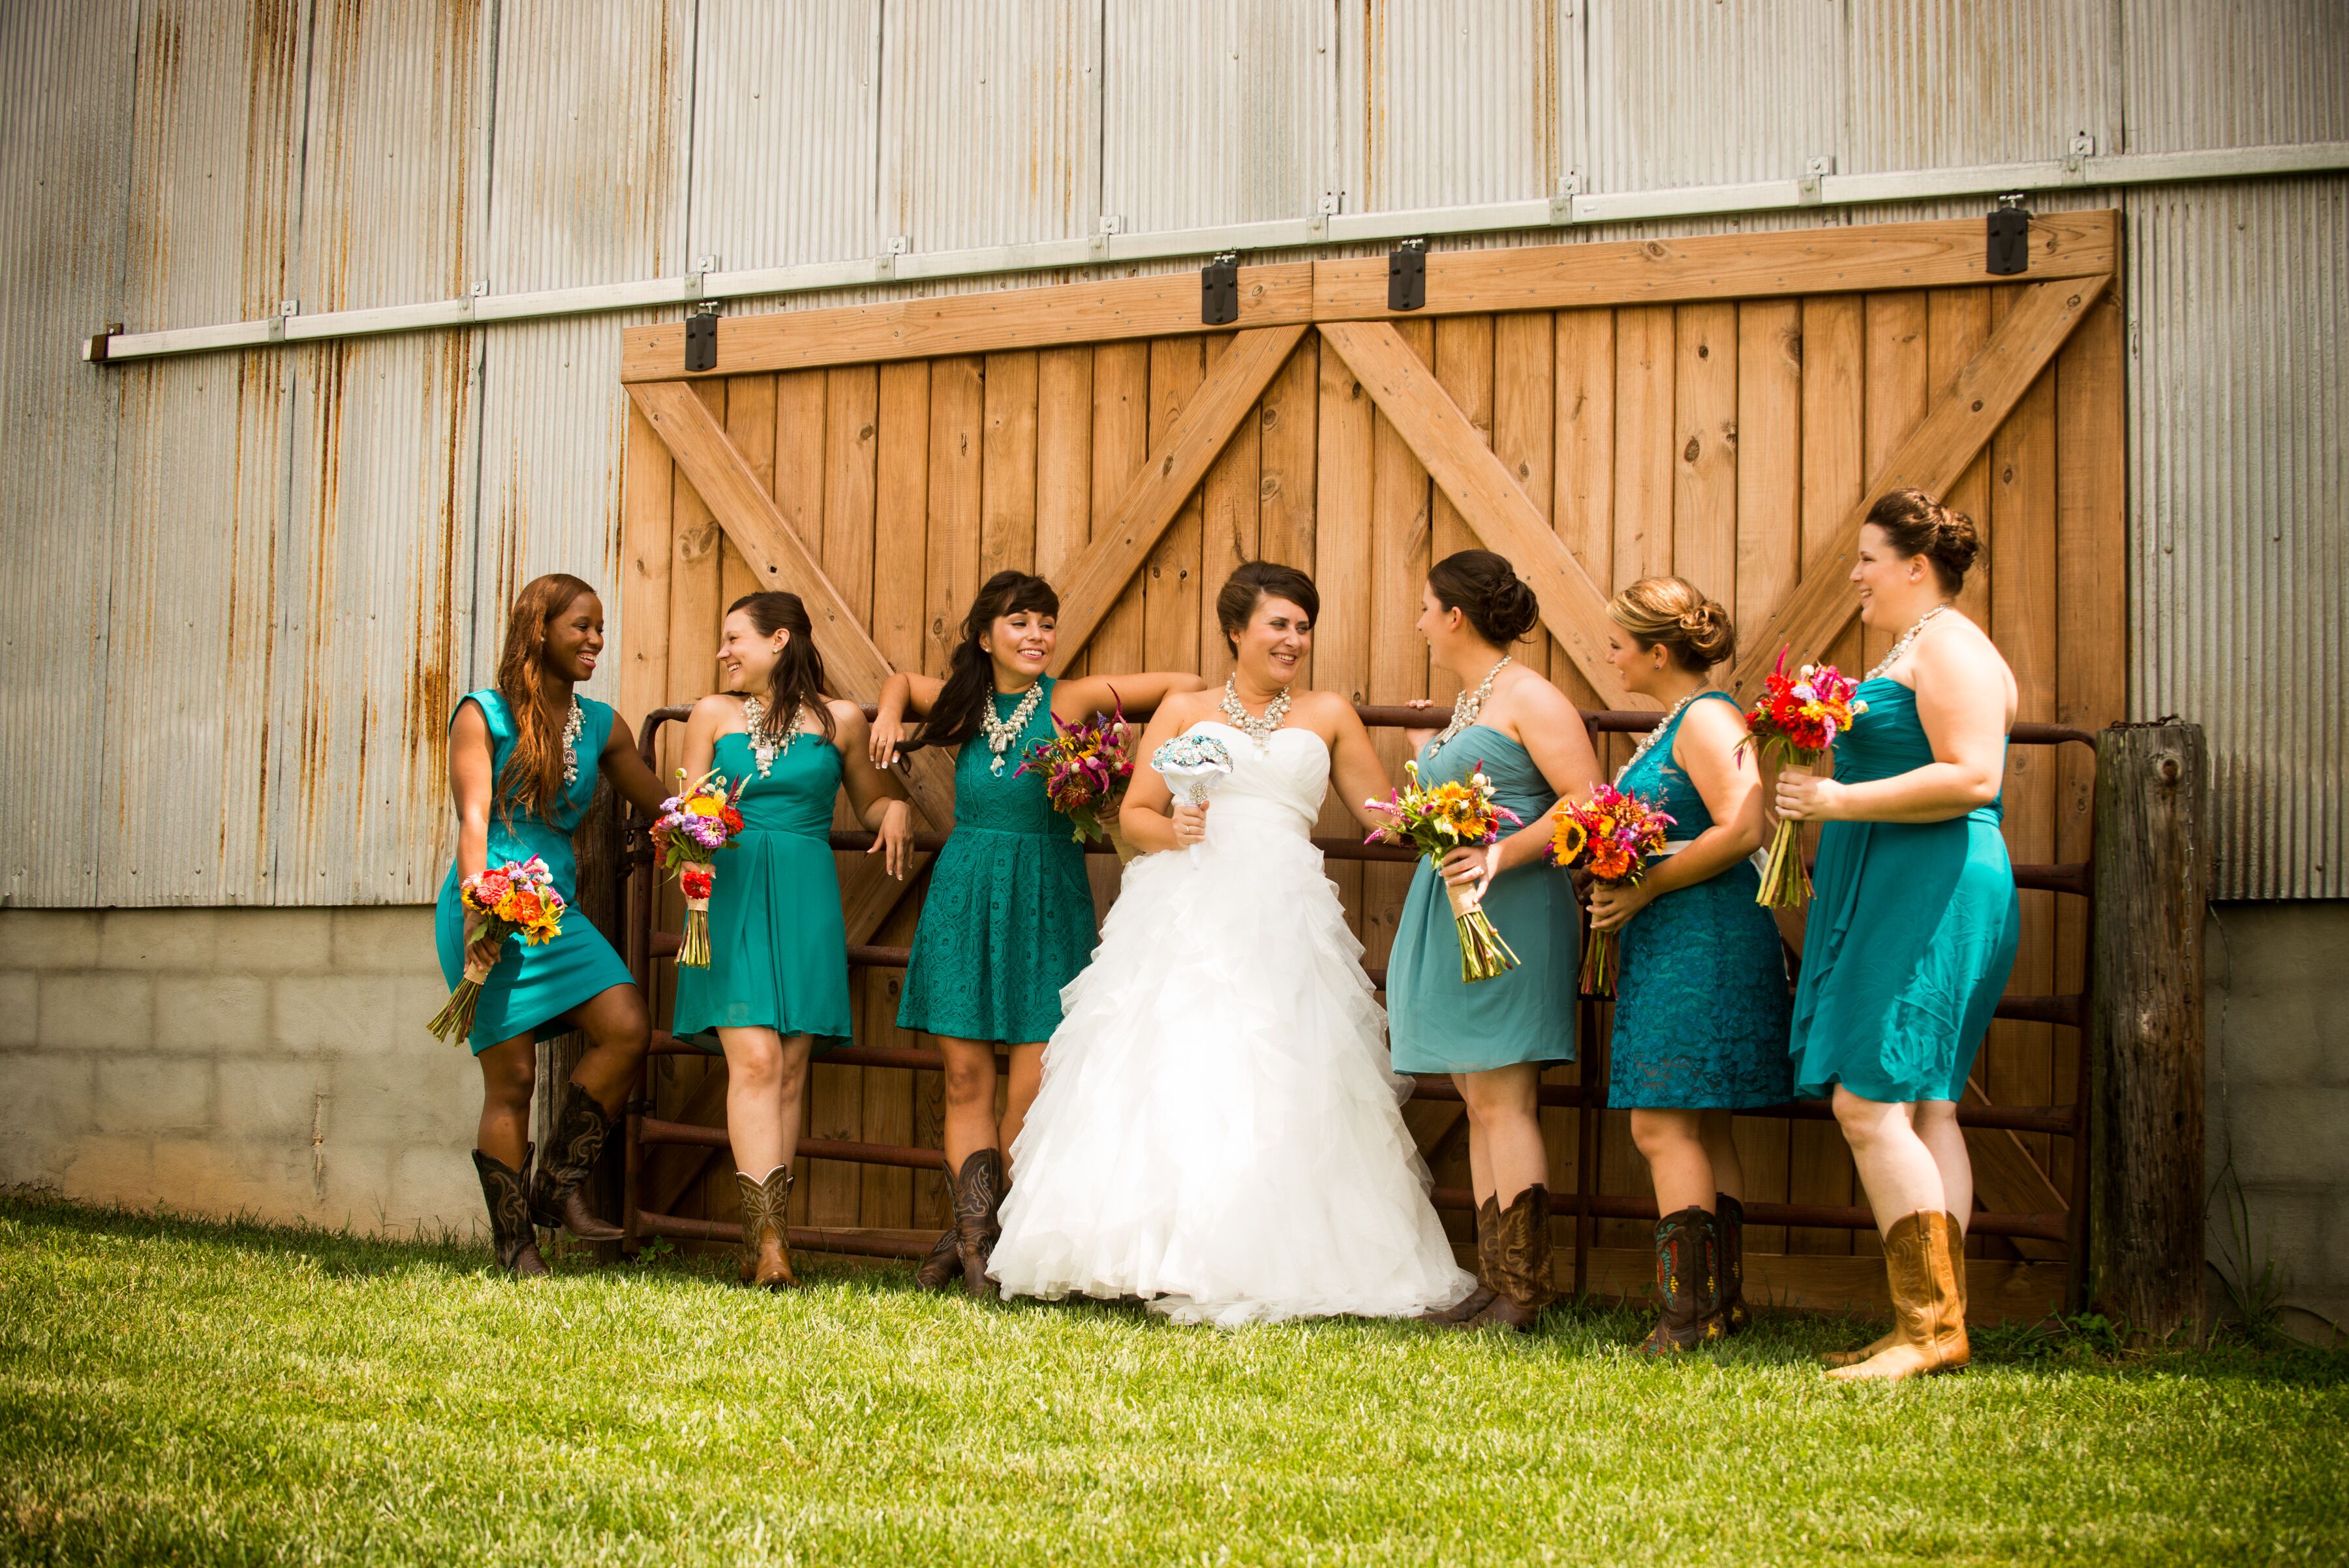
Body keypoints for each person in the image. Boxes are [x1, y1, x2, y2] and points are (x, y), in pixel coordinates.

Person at [988, 562, 1475, 1327]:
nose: (1293, 640)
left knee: (1281, 1067)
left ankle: (1274, 1253)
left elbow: (1385, 812)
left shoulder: (1328, 713)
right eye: (1279, 624)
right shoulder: (1182, 711)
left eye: (1303, 626)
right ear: (1236, 632)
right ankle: (1147, 1253)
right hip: (1187, 902)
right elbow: (1140, 816)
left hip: (1286, 908)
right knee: (1176, 1063)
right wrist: (1171, 829)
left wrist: (1433, 765)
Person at [870, 572, 1205, 1295]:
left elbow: (1187, 684)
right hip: (965, 890)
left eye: (1046, 625)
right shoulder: (964, 699)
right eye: (1019, 624)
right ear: (986, 635)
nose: (1035, 637)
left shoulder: (1072, 699)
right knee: (964, 1077)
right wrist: (888, 717)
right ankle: (973, 1251)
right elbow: (899, 680)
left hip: (1047, 894)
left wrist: (1130, 756)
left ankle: (991, 1239)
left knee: (1032, 1088)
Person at [1776, 489, 2019, 1382]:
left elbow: (1971, 774)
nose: (1856, 576)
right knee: (1925, 1105)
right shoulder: (1920, 645)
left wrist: (1836, 798)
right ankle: (1937, 1321)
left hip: (1935, 881)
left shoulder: (1951, 643)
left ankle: (1928, 1329)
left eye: (1869, 559)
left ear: (1917, 566)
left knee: (1868, 1101)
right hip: (1905, 878)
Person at [671, 592, 912, 1289]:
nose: (723, 652)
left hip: (806, 894)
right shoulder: (711, 716)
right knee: (753, 1060)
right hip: (730, 888)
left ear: (779, 640)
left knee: (792, 1067)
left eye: (733, 638)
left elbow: (869, 797)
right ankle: (770, 1241)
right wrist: (689, 837)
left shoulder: (840, 720)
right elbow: (689, 804)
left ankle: (769, 1244)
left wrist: (894, 806)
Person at [1387, 551, 1598, 1332]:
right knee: (1478, 1098)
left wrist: (1502, 853)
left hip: (1511, 907)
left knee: (1505, 1099)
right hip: (1456, 906)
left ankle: (1526, 1291)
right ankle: (1494, 1278)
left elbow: (1589, 800)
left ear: (1456, 617)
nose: (1418, 623)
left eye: (1424, 608)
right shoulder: (1471, 700)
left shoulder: (1529, 697)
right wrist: (1423, 759)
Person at [437, 574, 671, 1277]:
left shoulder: (603, 725)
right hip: (492, 909)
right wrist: (479, 900)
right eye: (582, 627)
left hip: (553, 915)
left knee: (628, 1024)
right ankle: (516, 1247)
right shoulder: (485, 714)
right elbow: (474, 818)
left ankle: (555, 1190)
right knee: (511, 1079)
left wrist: (706, 822)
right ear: (540, 629)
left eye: (601, 628)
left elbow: (660, 804)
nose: (596, 640)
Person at [1589, 577, 1791, 1353]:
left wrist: (1644, 887)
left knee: (1662, 1120)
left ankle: (1686, 1318)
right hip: (1681, 930)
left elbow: (1745, 827)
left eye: (1619, 643)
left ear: (1659, 652)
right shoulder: (1681, 718)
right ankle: (1718, 1308)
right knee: (1700, 1120)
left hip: (1699, 933)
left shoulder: (1707, 719)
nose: (1611, 656)